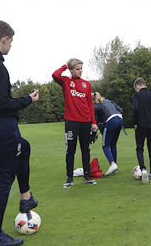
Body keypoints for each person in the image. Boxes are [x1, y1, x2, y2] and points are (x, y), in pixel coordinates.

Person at [0, 20, 39, 245]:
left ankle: (26, 197)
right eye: (12, 41)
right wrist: (27, 99)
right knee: (3, 179)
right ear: (5, 39)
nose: (11, 46)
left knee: (24, 147)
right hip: (2, 126)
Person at [52, 58, 98, 188]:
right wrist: (65, 66)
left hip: (86, 122)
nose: (80, 71)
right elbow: (55, 75)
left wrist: (93, 122)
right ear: (71, 70)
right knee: (70, 150)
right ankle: (69, 179)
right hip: (71, 122)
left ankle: (87, 177)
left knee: (85, 150)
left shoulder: (86, 85)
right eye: (77, 69)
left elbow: (90, 104)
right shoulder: (66, 82)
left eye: (81, 68)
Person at [93, 92, 124, 176]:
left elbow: (95, 121)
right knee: (113, 144)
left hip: (111, 120)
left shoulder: (95, 105)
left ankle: (113, 164)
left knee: (105, 146)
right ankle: (115, 166)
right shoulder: (108, 101)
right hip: (120, 118)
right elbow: (120, 109)